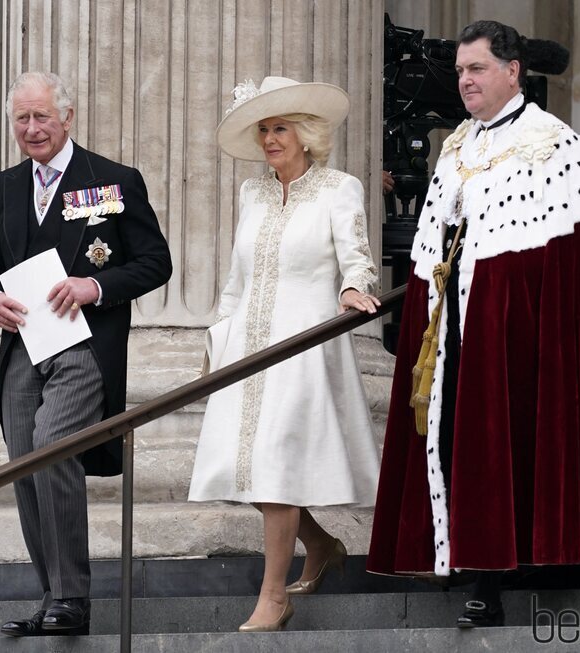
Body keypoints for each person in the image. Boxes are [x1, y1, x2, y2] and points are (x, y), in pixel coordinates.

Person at [366, 20, 580, 628]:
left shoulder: (554, 142)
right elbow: (439, 240)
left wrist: (532, 317)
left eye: (477, 69)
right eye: (461, 71)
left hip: (527, 334)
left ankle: (494, 579)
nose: (464, 81)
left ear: (512, 70)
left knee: (503, 441)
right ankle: (473, 561)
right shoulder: (457, 145)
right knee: (454, 438)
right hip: (455, 326)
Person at [0, 71, 172, 637]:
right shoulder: (5, 186)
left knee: (53, 444)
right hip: (22, 347)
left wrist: (97, 286)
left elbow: (154, 261)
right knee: (23, 465)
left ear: (68, 116)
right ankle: (51, 596)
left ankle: (72, 599)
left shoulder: (112, 180)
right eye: (22, 119)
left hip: (85, 343)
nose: (32, 129)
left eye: (42, 117)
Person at [188, 76, 383, 632]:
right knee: (241, 465)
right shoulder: (253, 194)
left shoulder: (338, 188)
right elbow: (236, 278)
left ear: (307, 133)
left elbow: (358, 258)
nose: (270, 138)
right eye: (264, 129)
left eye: (280, 127)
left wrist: (353, 287)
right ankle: (320, 545)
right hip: (247, 346)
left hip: (302, 345)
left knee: (275, 468)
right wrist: (218, 337)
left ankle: (273, 597)